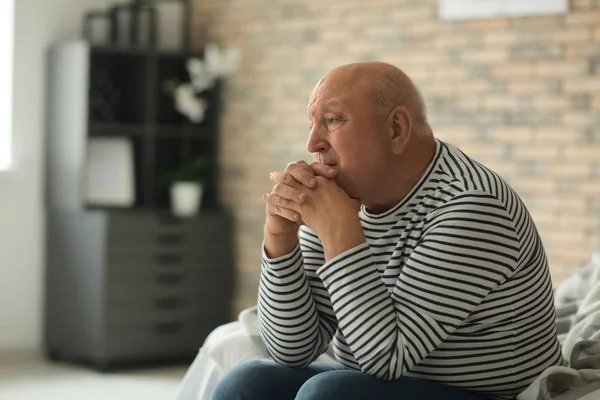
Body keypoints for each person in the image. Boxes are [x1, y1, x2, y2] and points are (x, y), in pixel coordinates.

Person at [211, 62, 565, 400]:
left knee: (331, 396)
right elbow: (292, 349)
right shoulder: (343, 197)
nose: (313, 144)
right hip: (385, 384)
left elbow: (384, 359)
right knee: (247, 384)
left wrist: (341, 233)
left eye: (332, 120)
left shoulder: (472, 207)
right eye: (312, 124)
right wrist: (279, 239)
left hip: (491, 395)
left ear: (396, 128)